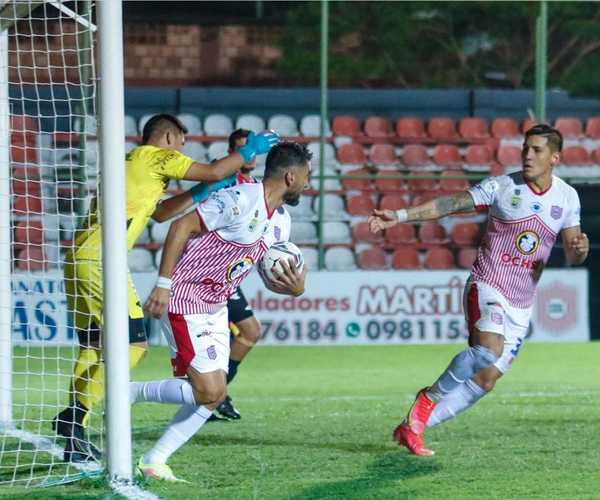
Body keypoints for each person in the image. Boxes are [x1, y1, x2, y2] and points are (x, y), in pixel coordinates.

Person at [55, 113, 278, 462]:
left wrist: (201, 191)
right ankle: (74, 418)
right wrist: (250, 150)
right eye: (182, 144)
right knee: (133, 345)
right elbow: (216, 170)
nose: (182, 151)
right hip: (101, 260)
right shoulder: (154, 155)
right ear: (169, 138)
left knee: (94, 345)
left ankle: (73, 429)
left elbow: (160, 214)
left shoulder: (134, 164)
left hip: (79, 257)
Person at [369, 124, 589, 456]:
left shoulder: (567, 197)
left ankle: (413, 426)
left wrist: (579, 249)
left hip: (521, 303)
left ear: (555, 158)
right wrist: (399, 216)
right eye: (525, 148)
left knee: (485, 380)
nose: (527, 155)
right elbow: (450, 204)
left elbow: (573, 253)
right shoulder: (503, 187)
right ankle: (427, 399)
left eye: (537, 150)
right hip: (487, 285)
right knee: (487, 350)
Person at [131, 142, 311, 481]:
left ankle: (154, 459)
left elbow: (265, 268)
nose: (308, 184)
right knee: (209, 391)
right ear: (290, 176)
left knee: (215, 394)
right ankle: (128, 393)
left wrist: (295, 287)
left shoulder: (281, 223)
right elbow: (181, 226)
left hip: (217, 305)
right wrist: (163, 284)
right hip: (186, 296)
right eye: (307, 177)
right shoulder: (241, 199)